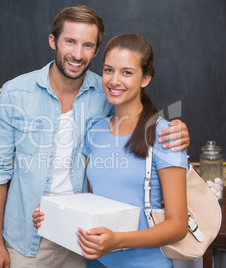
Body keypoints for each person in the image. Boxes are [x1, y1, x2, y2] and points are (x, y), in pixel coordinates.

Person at [0, 6, 190, 268]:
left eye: (88, 45)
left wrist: (174, 130)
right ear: (53, 41)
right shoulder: (16, 93)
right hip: (30, 237)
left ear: (95, 50)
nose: (77, 54)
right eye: (70, 41)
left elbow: (139, 115)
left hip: (85, 244)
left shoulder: (104, 95)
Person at [33, 33, 188, 268]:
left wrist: (117, 241)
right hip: (97, 261)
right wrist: (51, 214)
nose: (114, 80)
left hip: (145, 263)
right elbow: (90, 202)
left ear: (145, 78)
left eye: (127, 72)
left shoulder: (164, 134)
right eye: (108, 70)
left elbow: (177, 226)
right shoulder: (95, 131)